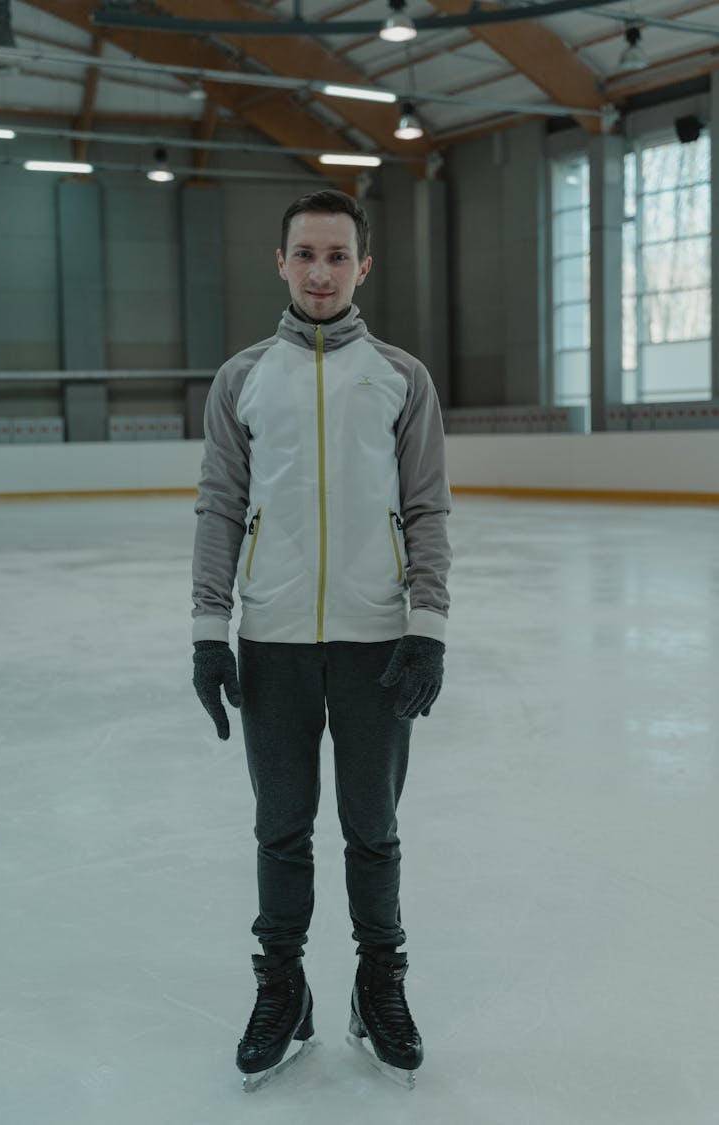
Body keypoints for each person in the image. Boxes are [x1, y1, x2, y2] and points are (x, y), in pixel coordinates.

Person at [191, 189, 451, 1084]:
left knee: (372, 828)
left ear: (363, 266)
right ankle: (285, 988)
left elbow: (426, 509)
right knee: (280, 828)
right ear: (281, 261)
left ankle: (380, 984)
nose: (320, 271)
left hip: (378, 639)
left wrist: (428, 629)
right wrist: (207, 632)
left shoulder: (401, 377)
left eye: (338, 255)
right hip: (272, 641)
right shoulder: (241, 379)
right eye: (305, 253)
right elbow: (221, 508)